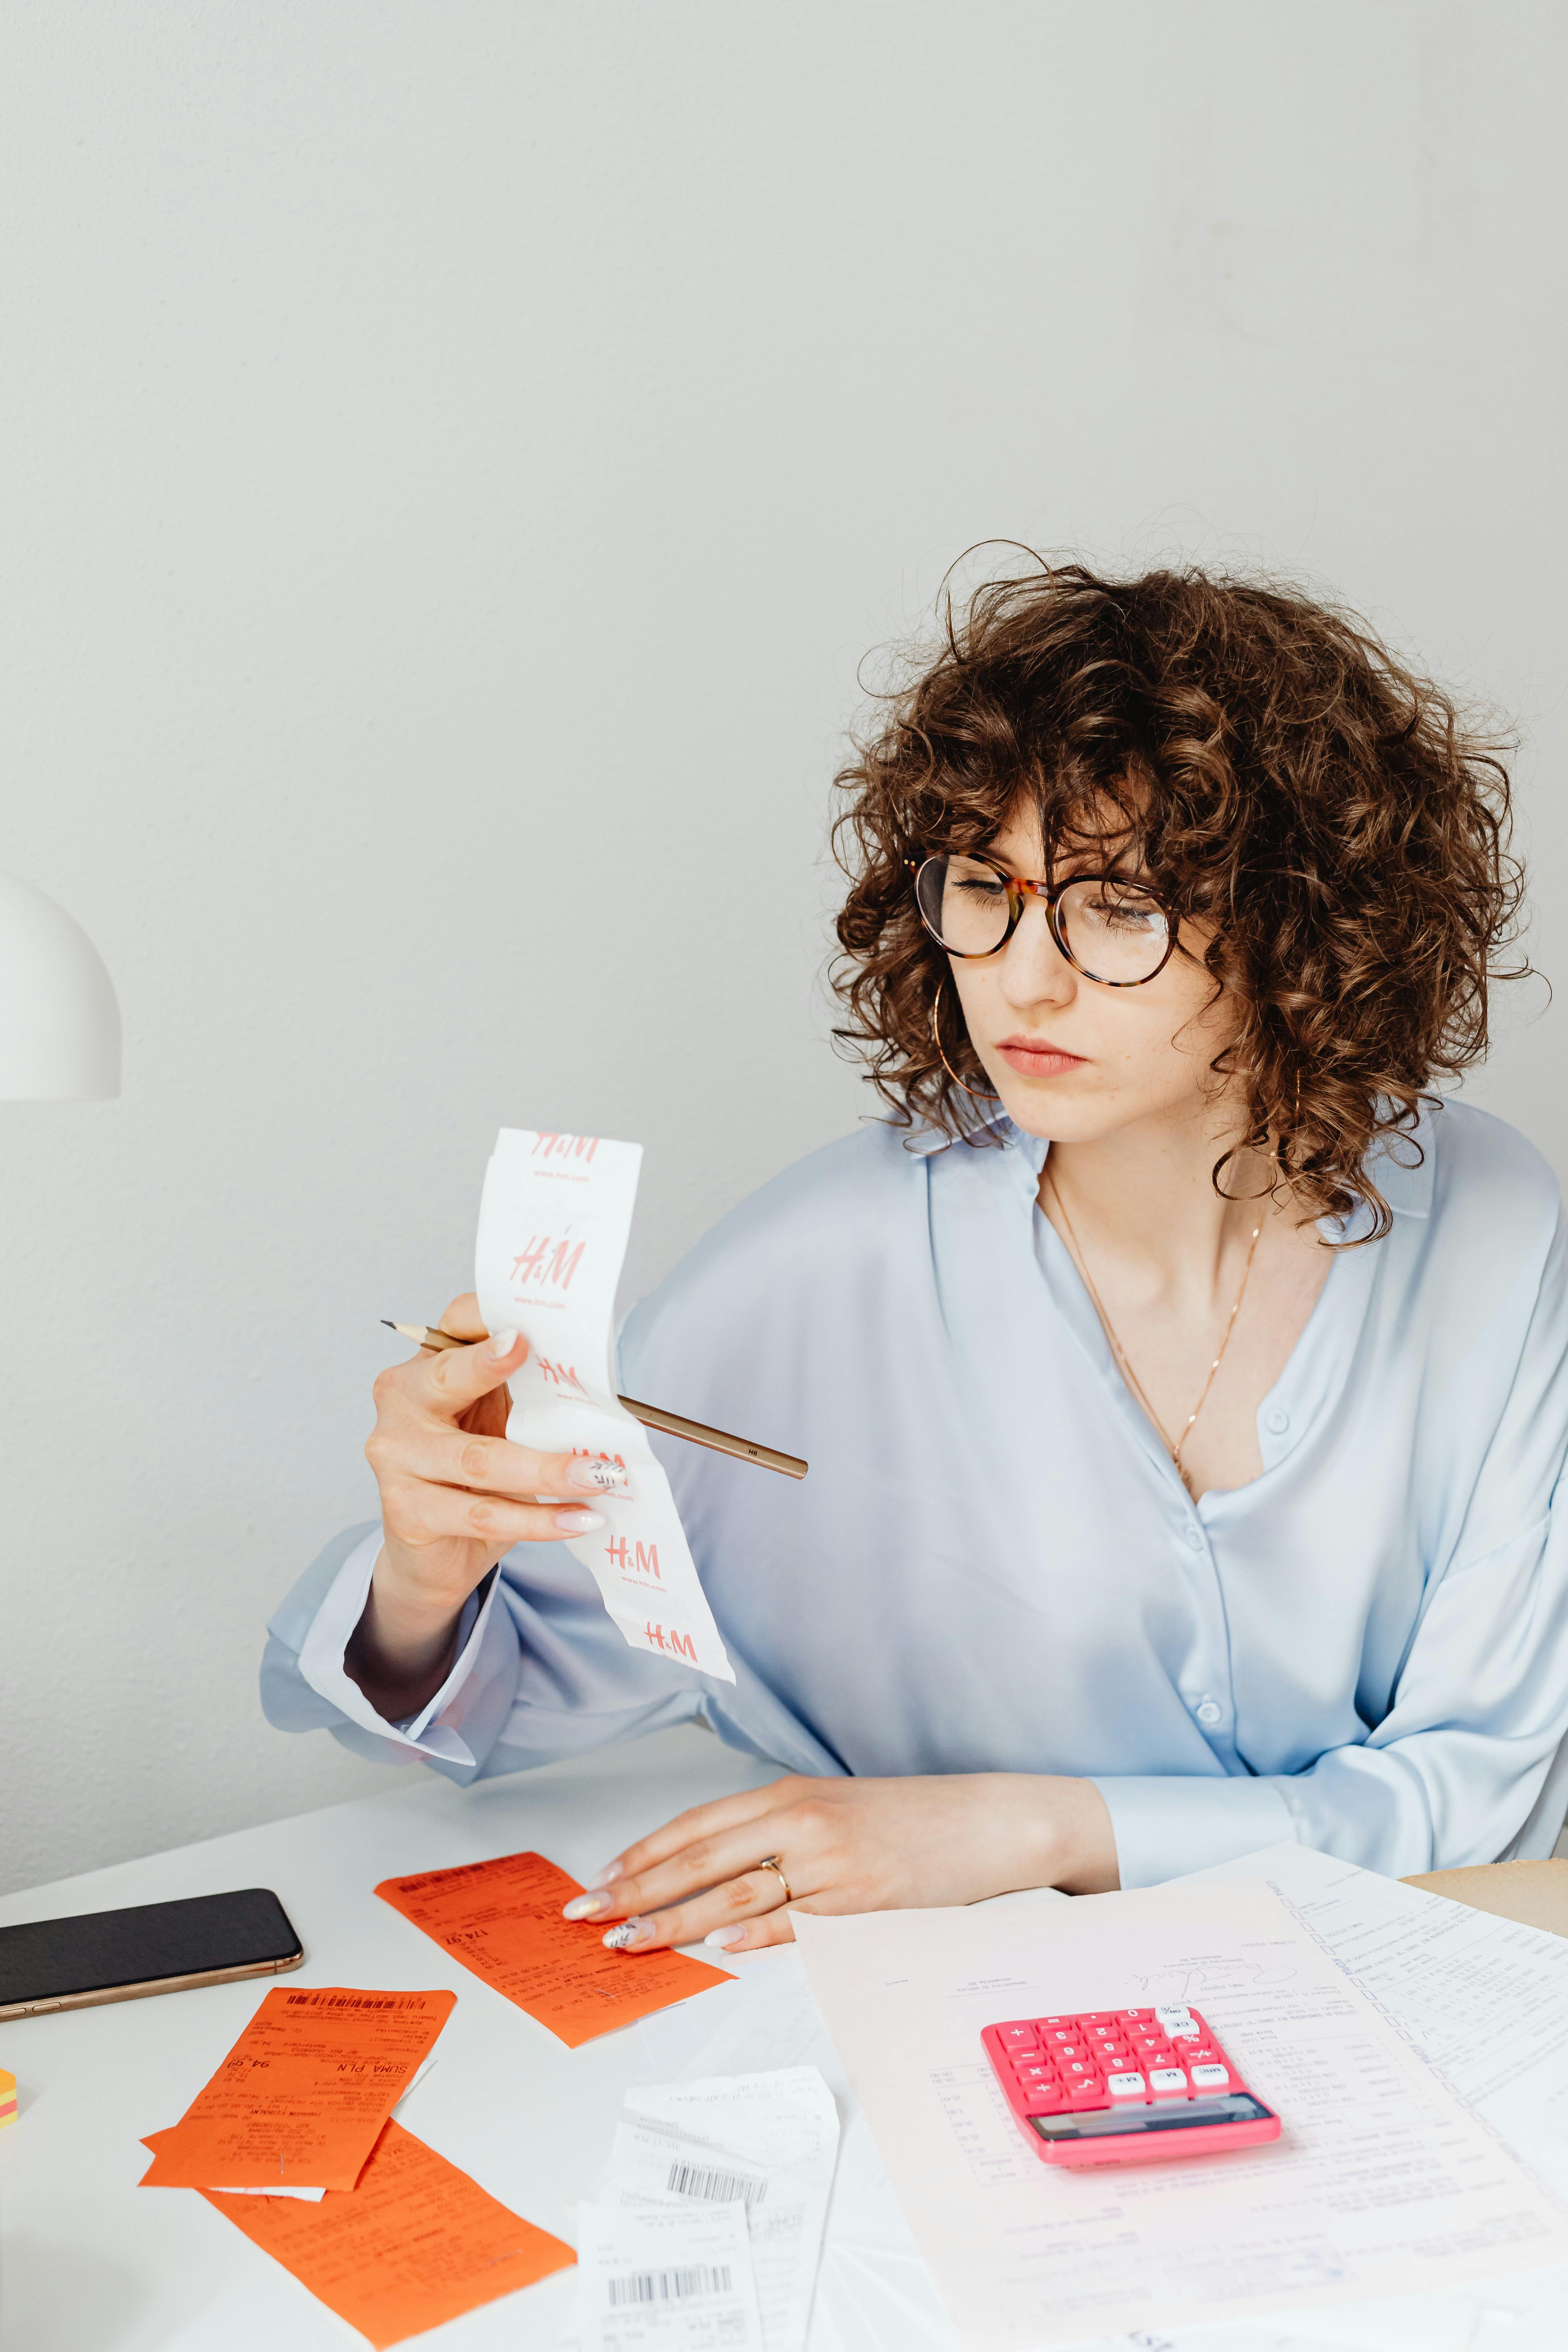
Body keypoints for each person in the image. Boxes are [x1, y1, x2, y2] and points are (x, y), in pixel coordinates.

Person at [262, 560, 1568, 1958]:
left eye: (1117, 907)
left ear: (1304, 931)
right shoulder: (819, 1270)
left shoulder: (1488, 1221)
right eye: (984, 890)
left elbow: (1487, 1799)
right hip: (954, 2023)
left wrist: (1026, 1829)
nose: (1025, 975)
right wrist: (428, 1569)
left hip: (1412, 2021)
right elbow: (493, 1698)